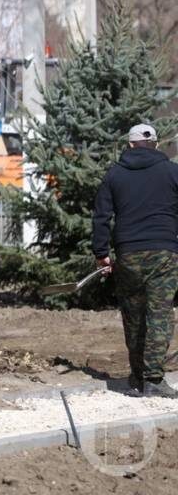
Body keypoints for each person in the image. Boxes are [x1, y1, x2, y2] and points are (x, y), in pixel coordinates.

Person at [92, 123, 178, 398]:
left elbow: (101, 217)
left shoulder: (114, 174)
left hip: (127, 253)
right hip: (164, 252)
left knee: (133, 315)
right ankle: (153, 378)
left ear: (129, 145)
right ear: (155, 144)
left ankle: (137, 378)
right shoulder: (172, 171)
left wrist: (101, 254)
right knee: (160, 315)